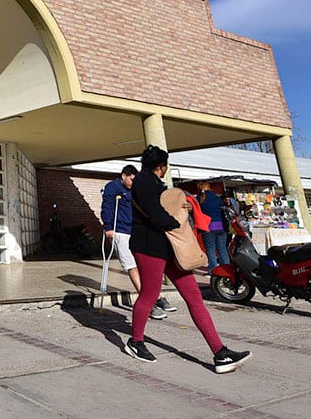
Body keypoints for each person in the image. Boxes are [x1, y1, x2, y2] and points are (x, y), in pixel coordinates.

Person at [124, 145, 252, 374]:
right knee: (150, 294)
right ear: (161, 166)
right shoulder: (144, 181)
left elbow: (163, 207)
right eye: (165, 166)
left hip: (169, 248)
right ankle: (135, 342)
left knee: (194, 297)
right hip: (149, 246)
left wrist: (180, 207)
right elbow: (155, 212)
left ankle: (220, 352)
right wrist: (178, 219)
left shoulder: (155, 183)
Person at [100, 164, 174, 320]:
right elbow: (107, 207)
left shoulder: (134, 189)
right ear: (123, 176)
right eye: (131, 180)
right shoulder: (112, 188)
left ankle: (156, 296)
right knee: (132, 266)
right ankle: (149, 302)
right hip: (120, 231)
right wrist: (108, 227)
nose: (133, 183)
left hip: (136, 231)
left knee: (144, 265)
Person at [199, 187, 231, 272]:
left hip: (208, 226)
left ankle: (213, 270)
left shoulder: (200, 198)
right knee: (222, 249)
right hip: (221, 226)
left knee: (210, 249)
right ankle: (227, 269)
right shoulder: (217, 198)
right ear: (209, 188)